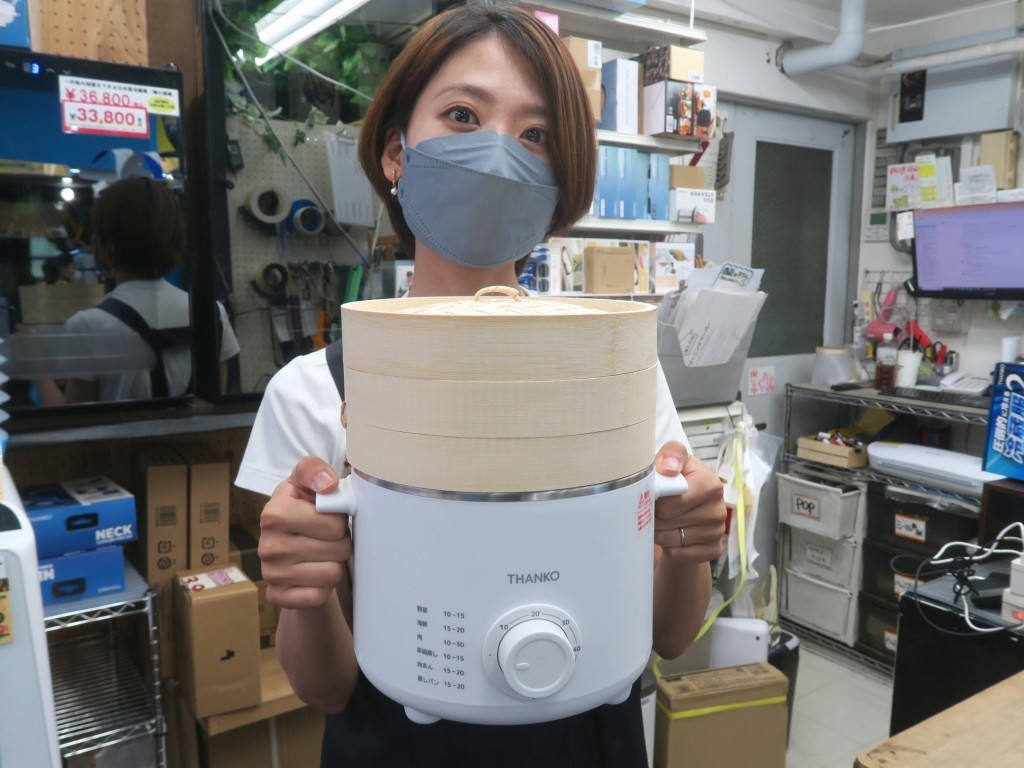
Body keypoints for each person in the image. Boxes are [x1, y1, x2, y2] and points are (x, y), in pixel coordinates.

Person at [237, 3, 726, 766]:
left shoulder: (615, 370)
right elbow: (325, 689)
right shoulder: (312, 392)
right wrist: (301, 589)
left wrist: (693, 542)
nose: (498, 154)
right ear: (396, 153)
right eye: (463, 115)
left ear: (560, 180)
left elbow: (669, 635)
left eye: (536, 136)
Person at [38, 177, 240, 404]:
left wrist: (39, 371)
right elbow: (214, 406)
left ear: (104, 244)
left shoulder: (87, 326)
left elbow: (73, 419)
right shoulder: (212, 314)